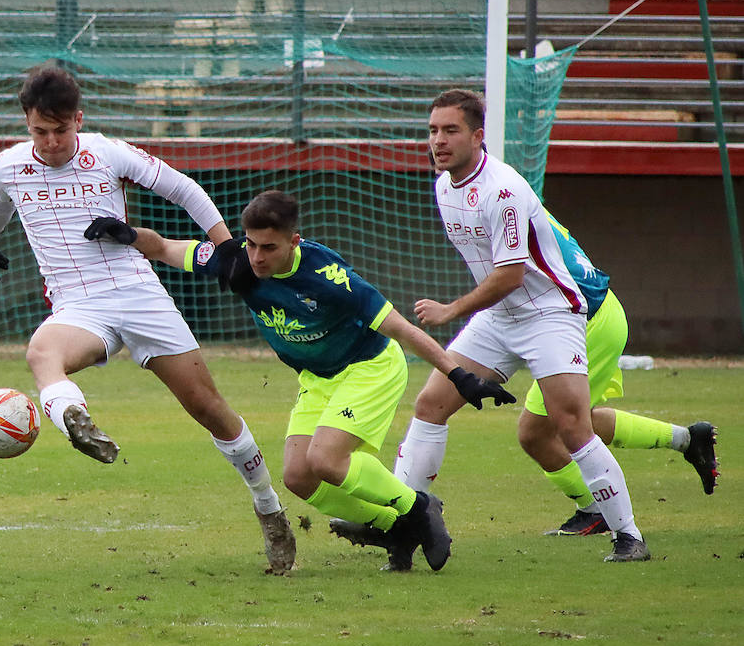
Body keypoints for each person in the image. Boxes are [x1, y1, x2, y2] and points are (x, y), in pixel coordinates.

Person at [0, 64, 297, 575]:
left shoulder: (107, 152)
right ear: (26, 124)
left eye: (62, 130)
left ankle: (269, 509)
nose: (53, 142)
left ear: (78, 119)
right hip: (77, 307)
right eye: (41, 131)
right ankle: (77, 423)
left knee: (208, 408)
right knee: (41, 353)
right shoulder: (9, 166)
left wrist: (226, 245)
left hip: (138, 294)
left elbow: (183, 188)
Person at [86, 190, 516, 572]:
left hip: (369, 367)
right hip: (318, 376)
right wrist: (126, 233)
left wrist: (458, 375)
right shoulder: (238, 262)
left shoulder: (329, 277)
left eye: (268, 248)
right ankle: (392, 527)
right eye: (251, 244)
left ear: (293, 241)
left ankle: (418, 508)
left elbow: (403, 330)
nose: (256, 257)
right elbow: (163, 247)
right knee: (299, 477)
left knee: (327, 461)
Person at [389, 88, 649, 563]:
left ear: (477, 136)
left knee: (572, 425)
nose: (438, 141)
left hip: (549, 313)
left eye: (450, 130)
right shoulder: (444, 185)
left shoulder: (503, 190)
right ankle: (405, 523)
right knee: (430, 404)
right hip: (499, 317)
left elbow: (509, 274)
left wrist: (450, 310)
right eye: (432, 131)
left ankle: (629, 536)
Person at [455, 209, 716, 536]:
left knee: (536, 432)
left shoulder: (502, 201)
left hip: (586, 321)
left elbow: (513, 278)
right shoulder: (509, 201)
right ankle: (688, 439)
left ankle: (600, 512)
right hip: (595, 315)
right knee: (575, 420)